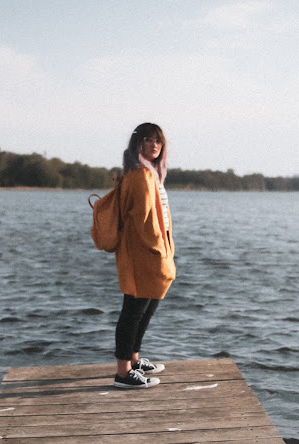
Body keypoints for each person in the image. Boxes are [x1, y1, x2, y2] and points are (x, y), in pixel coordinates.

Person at [113, 123, 176, 389]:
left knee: (146, 306)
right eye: (148, 140)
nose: (154, 145)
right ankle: (123, 372)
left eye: (158, 141)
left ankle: (134, 359)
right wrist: (159, 249)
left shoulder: (151, 173)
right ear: (137, 143)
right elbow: (143, 219)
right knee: (134, 309)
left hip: (154, 248)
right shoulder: (140, 175)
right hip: (144, 250)